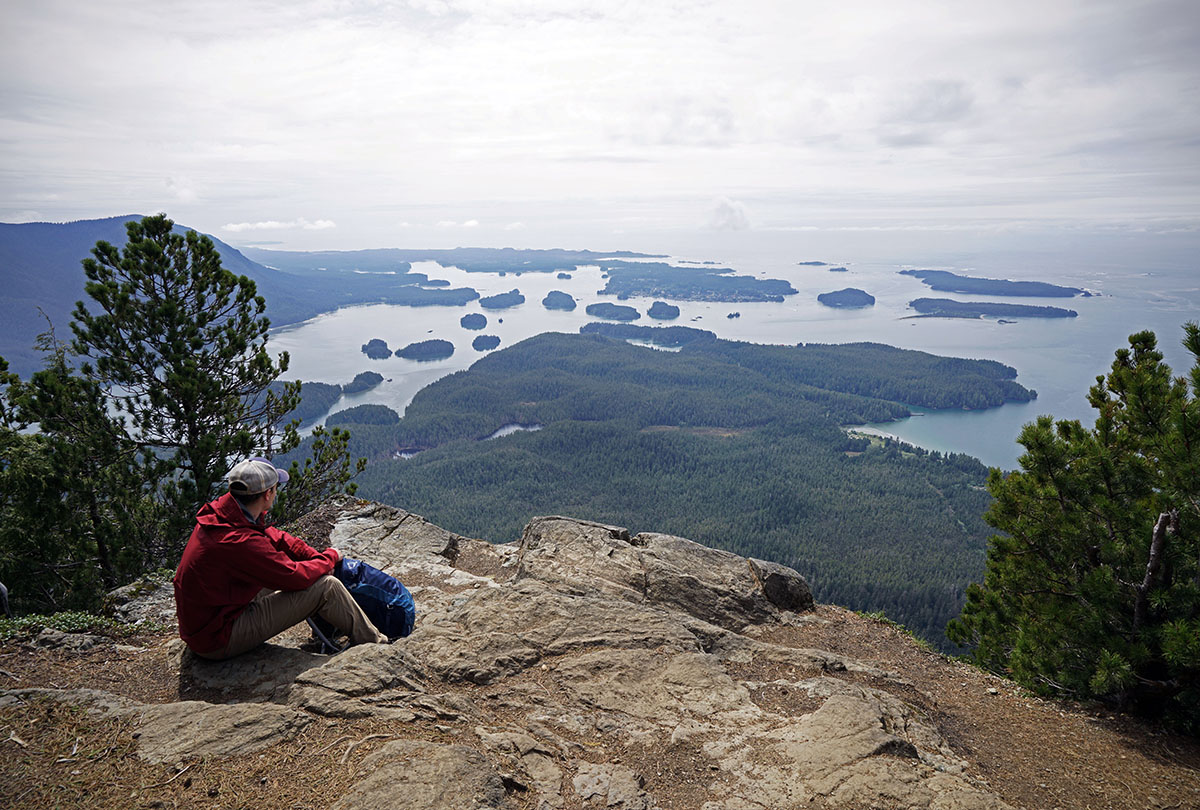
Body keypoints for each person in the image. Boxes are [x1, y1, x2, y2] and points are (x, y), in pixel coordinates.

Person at [173, 456, 387, 659]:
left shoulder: (227, 513)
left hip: (212, 617)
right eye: (276, 488)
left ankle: (332, 629)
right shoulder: (238, 541)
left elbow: (275, 537)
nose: (276, 493)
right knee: (326, 587)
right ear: (267, 494)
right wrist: (329, 558)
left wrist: (313, 557)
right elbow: (294, 577)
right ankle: (376, 646)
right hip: (218, 637)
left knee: (311, 569)